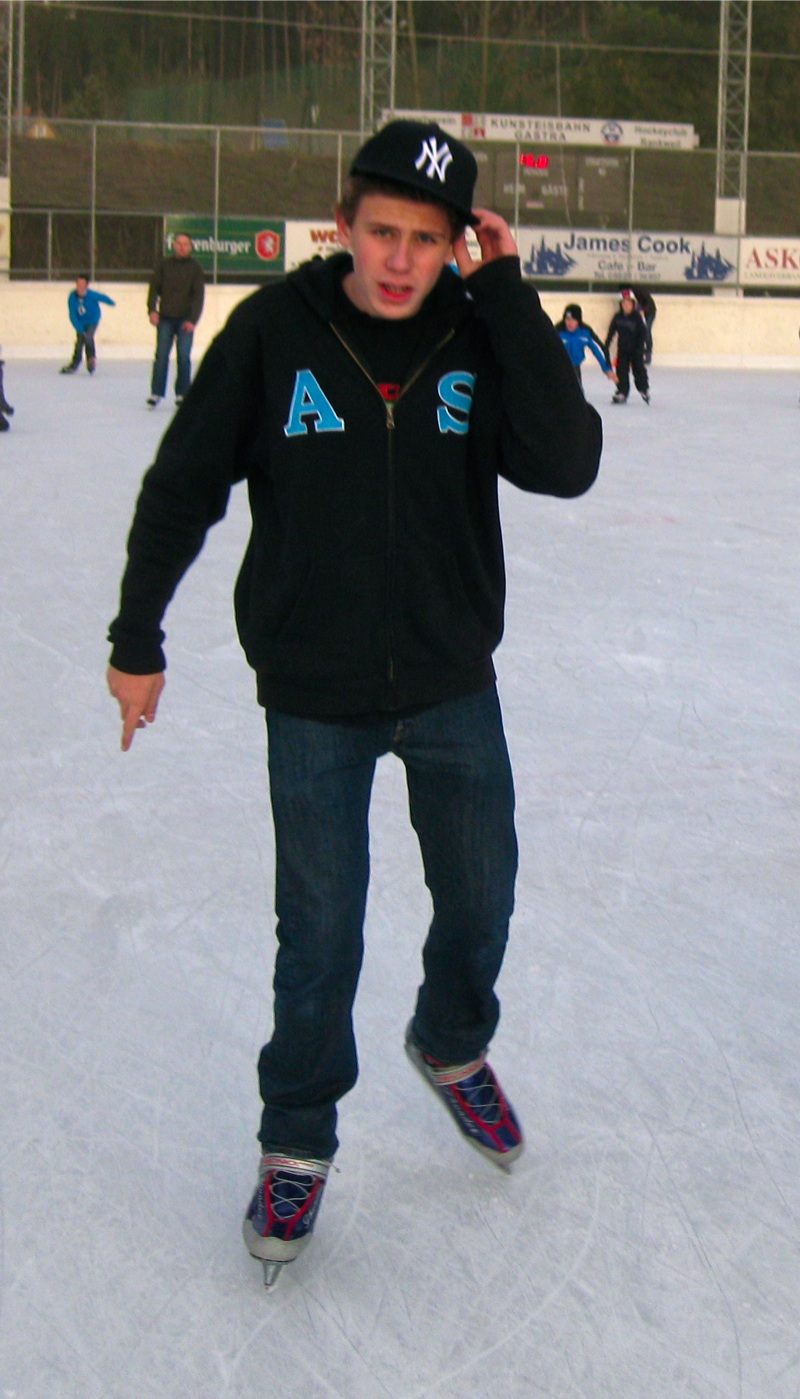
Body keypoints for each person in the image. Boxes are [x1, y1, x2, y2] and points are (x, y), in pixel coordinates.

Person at [107, 119, 602, 1289]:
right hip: (314, 697)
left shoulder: (476, 331)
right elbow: (182, 486)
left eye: (426, 240)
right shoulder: (273, 333)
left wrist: (507, 294)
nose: (398, 260)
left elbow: (567, 460)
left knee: (481, 895)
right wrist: (137, 636)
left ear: (456, 244)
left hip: (449, 684)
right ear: (341, 226)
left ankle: (450, 1040)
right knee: (319, 936)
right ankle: (296, 1139)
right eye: (381, 232)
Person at [146, 231, 205, 408]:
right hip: (165, 318)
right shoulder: (164, 265)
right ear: (174, 245)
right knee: (161, 356)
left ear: (190, 247)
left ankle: (182, 394)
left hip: (185, 320)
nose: (182, 247)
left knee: (184, 357)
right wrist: (152, 310)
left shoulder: (195, 268)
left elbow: (198, 296)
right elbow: (153, 289)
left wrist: (193, 320)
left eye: (185, 244)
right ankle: (156, 393)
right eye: (179, 243)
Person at [59, 275, 116, 376]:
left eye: (83, 284)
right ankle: (75, 364)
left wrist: (111, 302)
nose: (80, 286)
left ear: (86, 285)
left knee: (89, 337)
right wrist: (80, 329)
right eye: (78, 284)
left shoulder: (91, 295)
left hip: (92, 320)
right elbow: (72, 315)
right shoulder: (72, 297)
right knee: (80, 341)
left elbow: (102, 297)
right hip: (80, 323)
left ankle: (91, 360)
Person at [555, 302, 617, 391]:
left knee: (577, 391)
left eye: (573, 320)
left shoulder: (585, 332)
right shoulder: (557, 331)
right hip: (559, 366)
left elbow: (598, 349)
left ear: (578, 321)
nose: (570, 323)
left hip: (575, 366)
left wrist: (607, 369)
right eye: (567, 319)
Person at [605, 289, 650, 405]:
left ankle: (643, 389)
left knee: (639, 370)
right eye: (624, 303)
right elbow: (611, 331)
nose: (626, 306)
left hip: (636, 350)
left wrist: (640, 348)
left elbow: (643, 334)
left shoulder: (637, 317)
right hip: (623, 349)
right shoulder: (618, 317)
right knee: (621, 371)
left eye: (629, 303)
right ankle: (622, 392)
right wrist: (607, 344)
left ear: (633, 304)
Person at [628, 284, 656, 364]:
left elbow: (650, 303)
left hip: (650, 313)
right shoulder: (629, 298)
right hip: (639, 313)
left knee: (646, 330)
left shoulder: (640, 291)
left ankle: (648, 354)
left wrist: (643, 310)